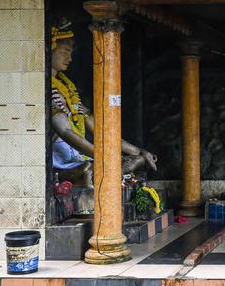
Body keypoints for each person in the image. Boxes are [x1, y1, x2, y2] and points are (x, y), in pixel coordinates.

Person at [49, 23, 157, 184]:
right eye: (65, 52)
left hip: (81, 156)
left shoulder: (67, 86)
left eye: (70, 53)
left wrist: (137, 151)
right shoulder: (45, 87)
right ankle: (86, 172)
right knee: (89, 167)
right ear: (49, 50)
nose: (69, 58)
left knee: (138, 160)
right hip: (60, 161)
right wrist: (105, 158)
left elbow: (94, 125)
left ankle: (93, 171)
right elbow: (65, 132)